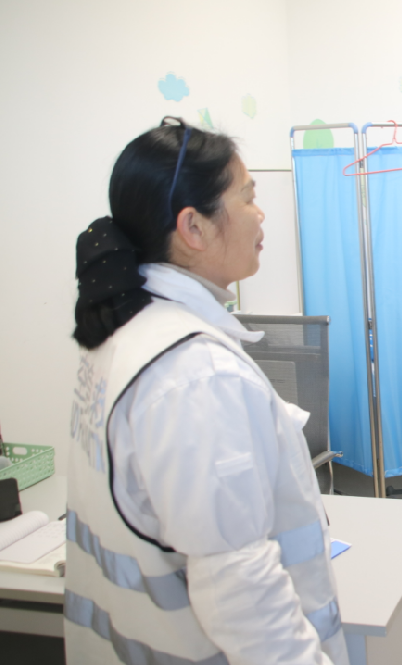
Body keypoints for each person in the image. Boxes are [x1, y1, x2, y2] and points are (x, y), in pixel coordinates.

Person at [65, 117, 349, 665]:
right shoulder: (196, 375)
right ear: (193, 227)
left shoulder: (122, 333)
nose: (260, 214)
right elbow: (242, 598)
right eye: (248, 198)